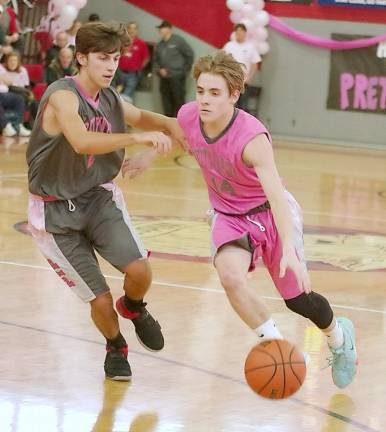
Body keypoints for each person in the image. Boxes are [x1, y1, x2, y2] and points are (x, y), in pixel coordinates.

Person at [122, 51, 358, 389]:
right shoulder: (190, 115)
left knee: (297, 300)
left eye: (214, 93)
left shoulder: (252, 139)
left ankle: (338, 337)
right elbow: (177, 132)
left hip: (270, 214)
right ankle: (276, 345)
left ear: (235, 94)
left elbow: (276, 196)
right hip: (229, 215)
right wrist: (147, 155)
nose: (204, 100)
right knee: (230, 274)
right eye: (201, 91)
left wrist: (290, 248)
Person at [26, 21, 184, 381]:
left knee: (140, 270)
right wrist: (138, 139)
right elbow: (81, 141)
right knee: (98, 298)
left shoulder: (111, 98)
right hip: (53, 213)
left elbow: (147, 116)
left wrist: (175, 126)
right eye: (102, 58)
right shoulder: (62, 96)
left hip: (97, 197)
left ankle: (133, 307)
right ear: (80, 58)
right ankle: (116, 346)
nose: (111, 66)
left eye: (115, 58)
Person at [154, 20, 193, 117]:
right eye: (159, 29)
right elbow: (155, 61)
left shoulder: (178, 41)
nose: (160, 30)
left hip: (177, 77)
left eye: (162, 28)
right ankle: (168, 124)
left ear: (169, 29)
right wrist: (159, 70)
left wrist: (183, 71)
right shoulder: (159, 45)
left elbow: (189, 54)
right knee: (166, 100)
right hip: (164, 78)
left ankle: (182, 123)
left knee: (178, 100)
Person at [223, 23, 261, 111]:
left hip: (243, 82)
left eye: (241, 31)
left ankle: (242, 124)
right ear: (235, 33)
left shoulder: (250, 47)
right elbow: (221, 60)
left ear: (245, 33)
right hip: (229, 81)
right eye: (237, 31)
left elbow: (255, 64)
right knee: (229, 105)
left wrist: (248, 78)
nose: (239, 33)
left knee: (243, 106)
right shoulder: (229, 46)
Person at [116, 21, 149, 103]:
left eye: (134, 28)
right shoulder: (121, 42)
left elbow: (146, 58)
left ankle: (125, 114)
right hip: (119, 73)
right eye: (130, 28)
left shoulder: (141, 43)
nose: (132, 30)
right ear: (127, 29)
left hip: (133, 74)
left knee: (127, 96)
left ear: (137, 30)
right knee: (116, 93)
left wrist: (139, 68)